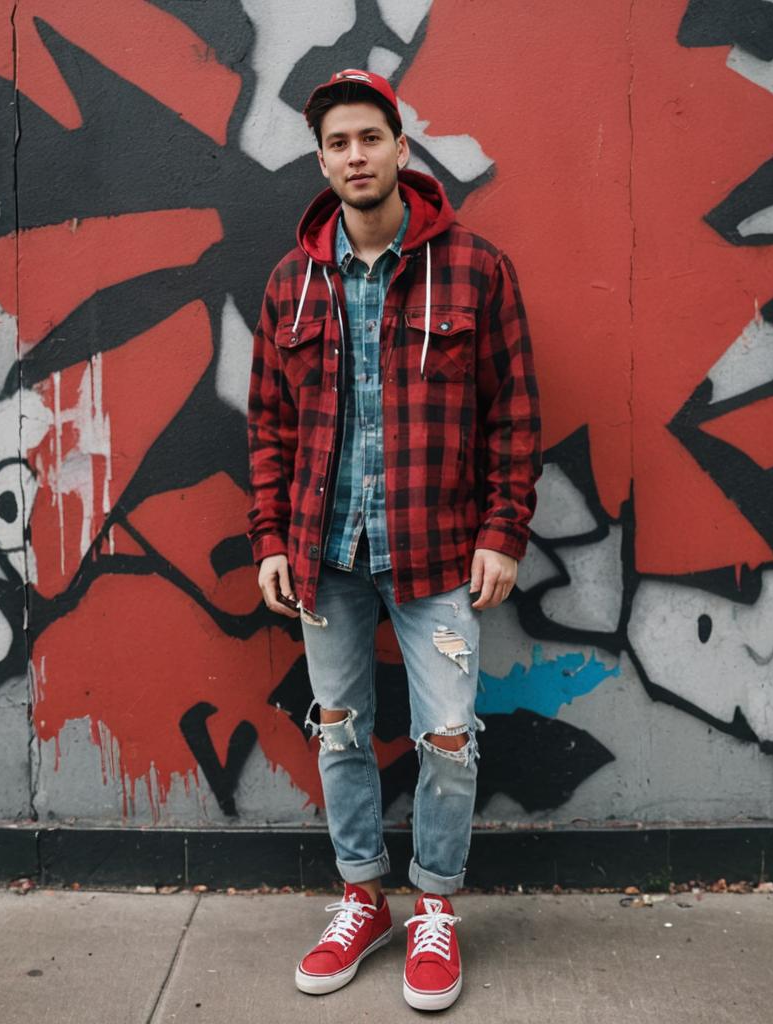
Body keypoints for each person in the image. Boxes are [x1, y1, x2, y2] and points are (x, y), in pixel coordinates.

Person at [246, 67, 541, 1011]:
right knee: (338, 731)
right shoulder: (291, 284)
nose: (355, 156)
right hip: (323, 557)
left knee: (447, 740)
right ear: (322, 158)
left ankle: (436, 910)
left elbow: (515, 417)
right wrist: (269, 541)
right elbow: (266, 429)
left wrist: (503, 532)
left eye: (370, 138)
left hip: (438, 553)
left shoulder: (476, 270)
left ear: (401, 148)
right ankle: (362, 897)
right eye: (337, 143)